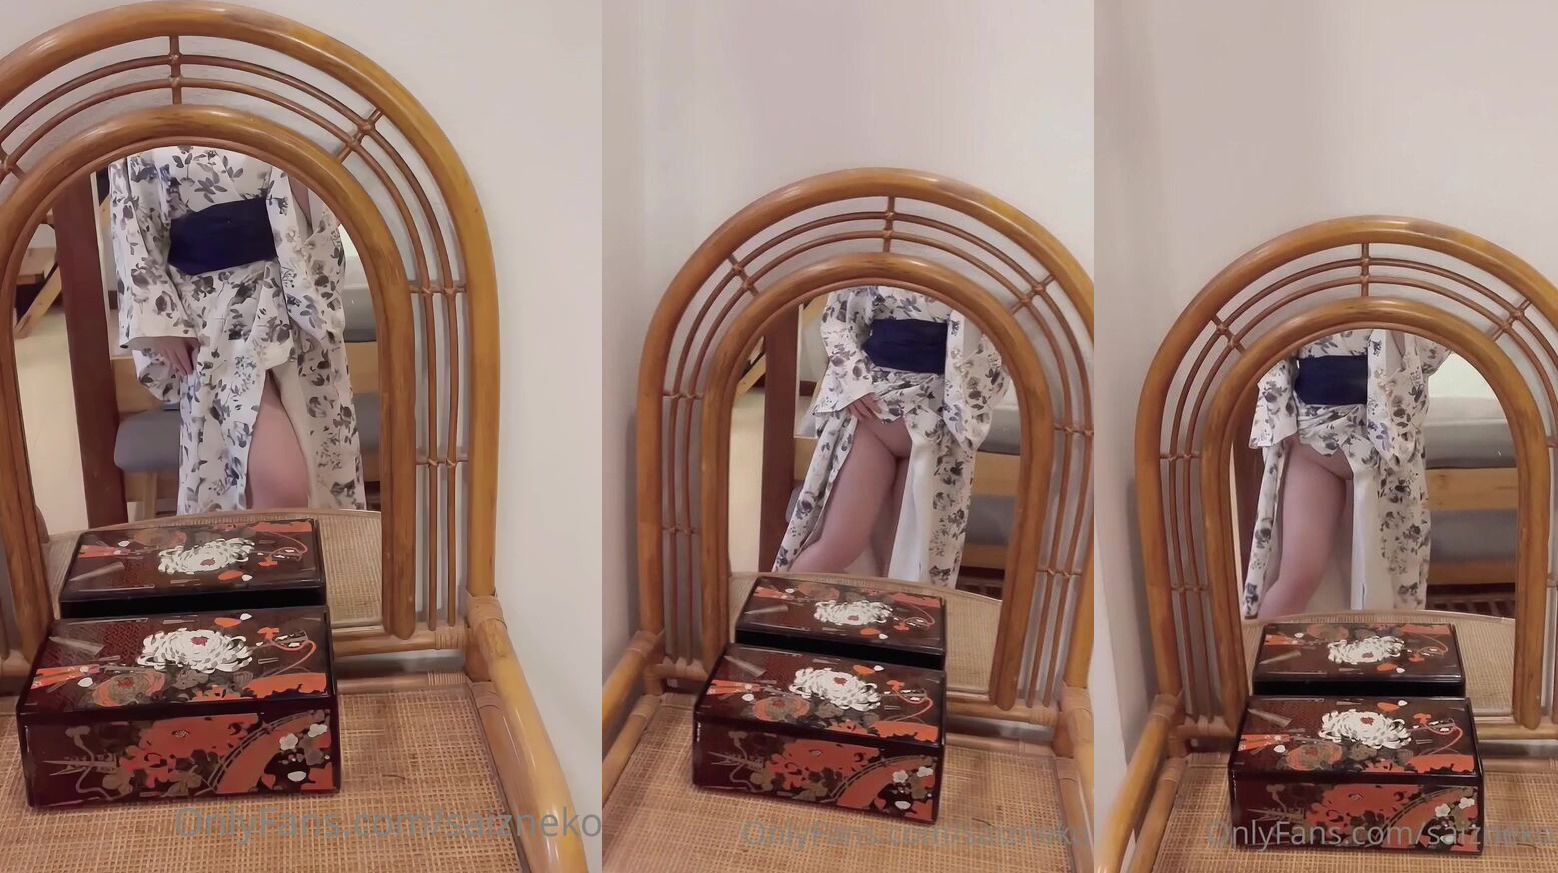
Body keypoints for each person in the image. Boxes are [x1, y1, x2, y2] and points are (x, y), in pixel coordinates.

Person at [109, 146, 364, 514]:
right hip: (212, 314)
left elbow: (323, 203)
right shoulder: (150, 121)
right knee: (280, 482)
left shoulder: (281, 109)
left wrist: (304, 163)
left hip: (293, 294)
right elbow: (131, 220)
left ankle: (300, 551)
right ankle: (260, 550)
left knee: (316, 450)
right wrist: (159, 319)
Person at [773, 286, 1007, 587]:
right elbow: (837, 318)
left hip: (943, 420)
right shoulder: (878, 260)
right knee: (839, 545)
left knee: (908, 561)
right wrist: (854, 381)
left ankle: (884, 618)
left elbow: (1001, 343)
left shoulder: (980, 273)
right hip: (874, 409)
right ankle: (779, 609)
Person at [1243, 329, 1448, 617]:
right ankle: (1256, 646)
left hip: (1389, 443)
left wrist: (1397, 324)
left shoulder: (1406, 304)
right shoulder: (1302, 301)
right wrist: (1282, 417)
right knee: (1300, 573)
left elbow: (1431, 355)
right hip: (1314, 439)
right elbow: (1274, 345)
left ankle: (1382, 642)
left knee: (1391, 574)